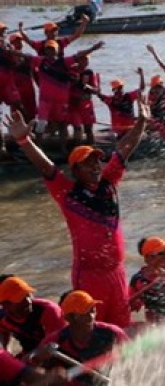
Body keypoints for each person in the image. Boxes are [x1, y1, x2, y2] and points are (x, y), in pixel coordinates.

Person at [5, 95, 150, 329]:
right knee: (93, 329)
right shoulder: (67, 193)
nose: (95, 167)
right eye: (88, 163)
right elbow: (45, 166)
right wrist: (23, 140)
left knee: (120, 326)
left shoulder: (109, 182)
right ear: (75, 171)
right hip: (90, 275)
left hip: (117, 273)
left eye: (96, 162)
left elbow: (124, 148)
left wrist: (142, 122)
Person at [10, 290, 129, 386]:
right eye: (83, 312)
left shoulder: (112, 333)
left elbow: (133, 360)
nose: (90, 315)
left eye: (92, 310)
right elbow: (30, 367)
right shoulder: (56, 340)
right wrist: (37, 356)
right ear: (69, 318)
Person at [0, 275, 67, 358]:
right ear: (5, 305)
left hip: (58, 354)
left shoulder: (48, 311)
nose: (28, 301)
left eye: (28, 295)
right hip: (29, 352)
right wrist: (7, 350)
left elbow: (56, 345)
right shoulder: (3, 317)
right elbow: (3, 331)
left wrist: (29, 359)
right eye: (20, 298)